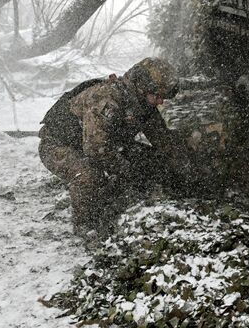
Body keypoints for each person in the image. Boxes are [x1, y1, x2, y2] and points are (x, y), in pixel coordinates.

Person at [38, 57, 179, 236]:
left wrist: (183, 169)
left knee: (150, 159)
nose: (161, 101)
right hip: (58, 146)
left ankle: (115, 199)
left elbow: (164, 142)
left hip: (99, 145)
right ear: (141, 86)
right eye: (158, 95)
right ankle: (87, 226)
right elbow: (96, 150)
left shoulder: (142, 102)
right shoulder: (107, 99)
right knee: (89, 175)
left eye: (164, 96)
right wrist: (127, 171)